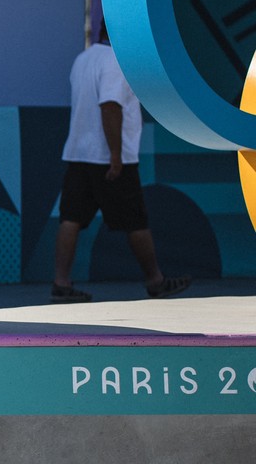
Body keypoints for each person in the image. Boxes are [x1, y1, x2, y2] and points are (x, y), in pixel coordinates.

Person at [51, 22, 190, 302]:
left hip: (80, 153)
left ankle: (61, 283)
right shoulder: (116, 61)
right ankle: (155, 281)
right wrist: (115, 155)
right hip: (110, 158)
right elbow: (110, 106)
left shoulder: (83, 59)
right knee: (135, 220)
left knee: (71, 218)